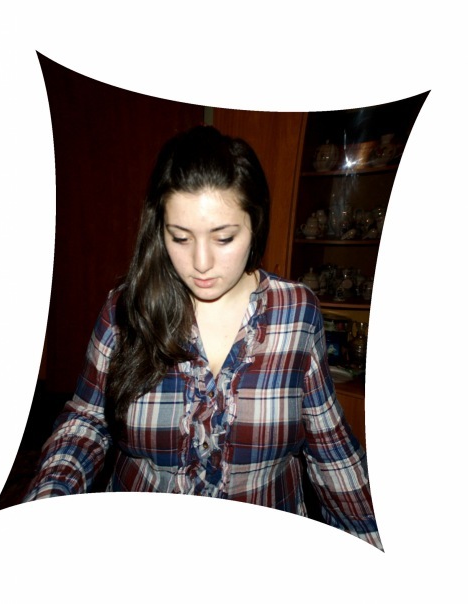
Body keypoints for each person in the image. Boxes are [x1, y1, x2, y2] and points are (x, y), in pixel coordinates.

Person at [23, 125, 382, 550]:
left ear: (256, 224)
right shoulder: (126, 308)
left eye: (224, 238)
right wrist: (46, 504)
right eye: (180, 237)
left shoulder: (295, 312)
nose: (201, 262)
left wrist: (377, 545)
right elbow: (86, 423)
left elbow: (330, 446)